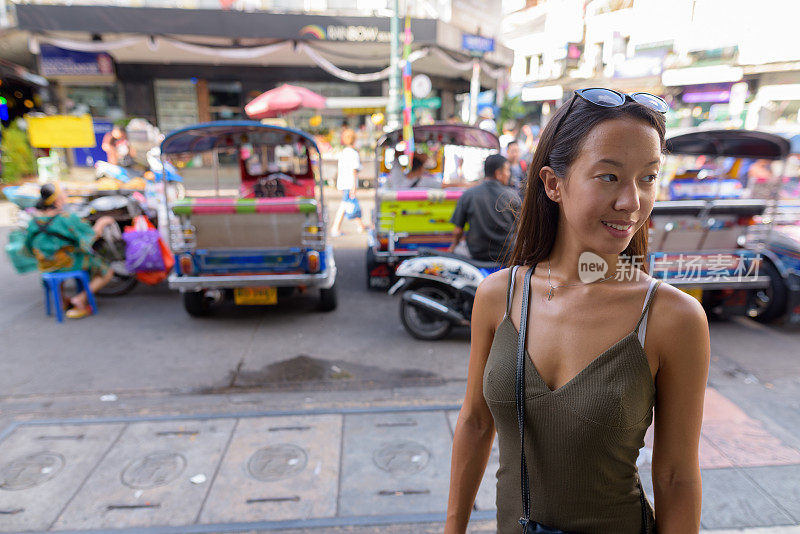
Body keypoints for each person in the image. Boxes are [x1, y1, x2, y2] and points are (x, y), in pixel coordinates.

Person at [445, 89, 709, 533]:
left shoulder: (672, 317)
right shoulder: (498, 297)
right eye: (609, 177)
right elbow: (474, 422)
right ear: (553, 184)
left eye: (648, 178)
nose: (631, 201)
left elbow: (676, 476)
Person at [25, 183, 117, 319]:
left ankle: (62, 302)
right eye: (63, 195)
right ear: (57, 200)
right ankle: (80, 298)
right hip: (68, 263)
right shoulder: (67, 219)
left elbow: (28, 246)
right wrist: (102, 222)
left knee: (56, 260)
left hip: (45, 265)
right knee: (107, 271)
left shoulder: (34, 221)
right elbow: (90, 236)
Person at [448, 154, 519, 262]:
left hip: (476, 254)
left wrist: (453, 247)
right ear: (498, 173)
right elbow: (520, 229)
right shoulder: (512, 196)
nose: (509, 174)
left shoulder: (468, 194)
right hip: (505, 256)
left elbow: (458, 231)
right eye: (507, 170)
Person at [330, 128, 368, 236]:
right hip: (349, 183)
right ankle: (335, 228)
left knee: (349, 204)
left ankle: (361, 225)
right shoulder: (353, 153)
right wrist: (353, 186)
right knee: (345, 205)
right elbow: (354, 170)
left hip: (342, 183)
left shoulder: (343, 153)